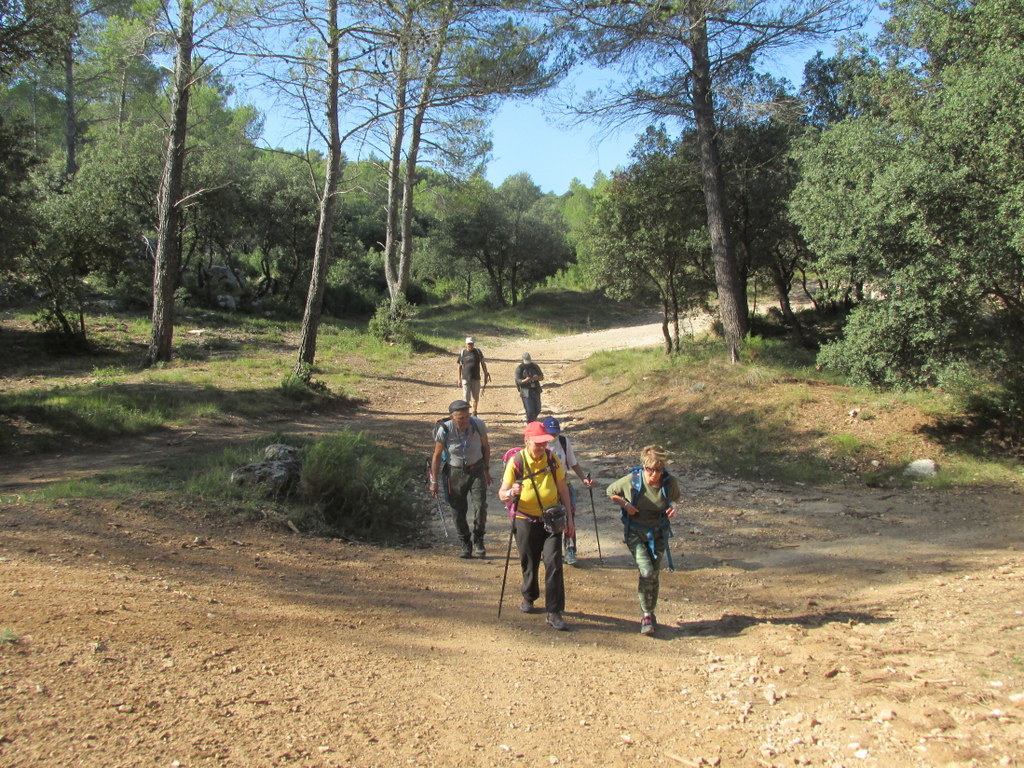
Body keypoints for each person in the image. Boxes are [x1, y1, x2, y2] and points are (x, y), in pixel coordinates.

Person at [498, 421, 574, 631]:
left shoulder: (552, 458)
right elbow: (501, 493)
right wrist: (511, 493)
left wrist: (570, 518)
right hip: (525, 519)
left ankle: (554, 611)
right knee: (529, 561)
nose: (542, 447)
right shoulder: (516, 461)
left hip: (552, 519)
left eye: (544, 443)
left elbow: (563, 489)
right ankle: (529, 596)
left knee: (554, 563)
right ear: (527, 440)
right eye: (538, 443)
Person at [606, 445, 681, 636]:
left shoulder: (669, 482)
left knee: (654, 574)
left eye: (659, 469)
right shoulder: (633, 480)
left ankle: (649, 613)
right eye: (650, 469)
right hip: (635, 533)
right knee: (646, 571)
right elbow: (610, 491)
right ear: (644, 466)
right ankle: (647, 615)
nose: (654, 474)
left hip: (659, 533)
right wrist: (625, 504)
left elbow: (675, 499)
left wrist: (673, 506)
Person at [430, 400, 492, 558]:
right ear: (452, 417)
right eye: (460, 417)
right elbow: (437, 455)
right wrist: (434, 481)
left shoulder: (478, 424)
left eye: (467, 416)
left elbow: (486, 447)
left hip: (476, 469)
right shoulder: (445, 429)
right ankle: (465, 542)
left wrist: (486, 469)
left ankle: (479, 539)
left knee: (481, 506)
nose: (465, 420)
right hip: (454, 473)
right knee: (457, 510)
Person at [542, 416, 594, 565]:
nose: (553, 436)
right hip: (546, 488)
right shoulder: (541, 446)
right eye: (550, 433)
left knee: (568, 516)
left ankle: (570, 549)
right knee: (545, 519)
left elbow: (573, 463)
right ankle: (547, 550)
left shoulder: (564, 442)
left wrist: (583, 478)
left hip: (565, 485)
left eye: (555, 433)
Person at [456, 337, 491, 416]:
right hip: (465, 378)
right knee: (466, 398)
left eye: (471, 344)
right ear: (466, 344)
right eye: (469, 344)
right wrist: (459, 379)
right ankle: (466, 413)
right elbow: (459, 366)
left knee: (475, 397)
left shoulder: (478, 352)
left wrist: (486, 374)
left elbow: (483, 364)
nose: (470, 346)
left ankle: (474, 412)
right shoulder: (463, 353)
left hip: (476, 378)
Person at [513, 353, 544, 423]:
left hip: (535, 390)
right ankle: (530, 424)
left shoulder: (535, 366)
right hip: (525, 392)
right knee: (529, 410)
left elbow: (541, 377)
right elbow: (518, 381)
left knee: (538, 409)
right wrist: (526, 380)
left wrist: (537, 378)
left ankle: (533, 420)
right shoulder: (519, 368)